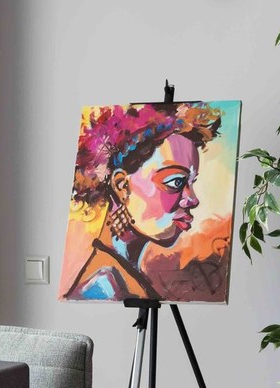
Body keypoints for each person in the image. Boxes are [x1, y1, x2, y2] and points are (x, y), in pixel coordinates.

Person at [64, 102, 222, 301]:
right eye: (176, 182)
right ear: (122, 186)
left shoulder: (121, 275)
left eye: (192, 182)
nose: (192, 199)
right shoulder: (102, 286)